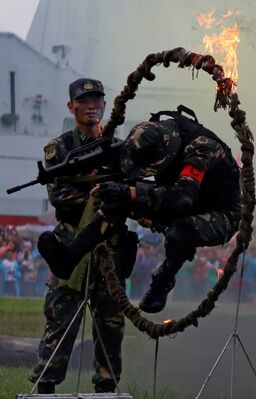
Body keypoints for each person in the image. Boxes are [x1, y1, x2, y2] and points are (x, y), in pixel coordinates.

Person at [38, 105, 242, 313]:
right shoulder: (151, 135)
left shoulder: (202, 147)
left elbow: (182, 198)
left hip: (220, 212)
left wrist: (130, 193)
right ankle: (70, 256)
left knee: (180, 231)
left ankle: (163, 279)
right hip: (178, 196)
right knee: (119, 199)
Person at [30, 78, 133, 394]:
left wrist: (120, 192)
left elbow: (135, 188)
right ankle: (46, 386)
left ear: (104, 105)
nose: (91, 105)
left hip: (109, 247)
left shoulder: (118, 147)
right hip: (71, 245)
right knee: (61, 317)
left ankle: (106, 385)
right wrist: (102, 193)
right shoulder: (60, 148)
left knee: (111, 325)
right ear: (71, 106)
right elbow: (59, 194)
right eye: (84, 100)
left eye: (96, 100)